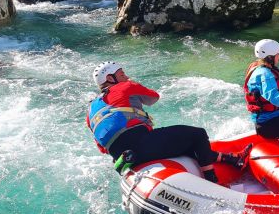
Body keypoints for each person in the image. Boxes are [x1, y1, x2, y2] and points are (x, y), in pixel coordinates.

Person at [87, 61, 248, 183]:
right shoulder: (125, 86)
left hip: (125, 158)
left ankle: (232, 160)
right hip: (142, 145)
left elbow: (102, 148)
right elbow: (153, 97)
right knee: (198, 135)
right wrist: (131, 85)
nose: (126, 76)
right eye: (122, 74)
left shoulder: (91, 111)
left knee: (186, 145)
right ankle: (212, 180)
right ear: (110, 78)